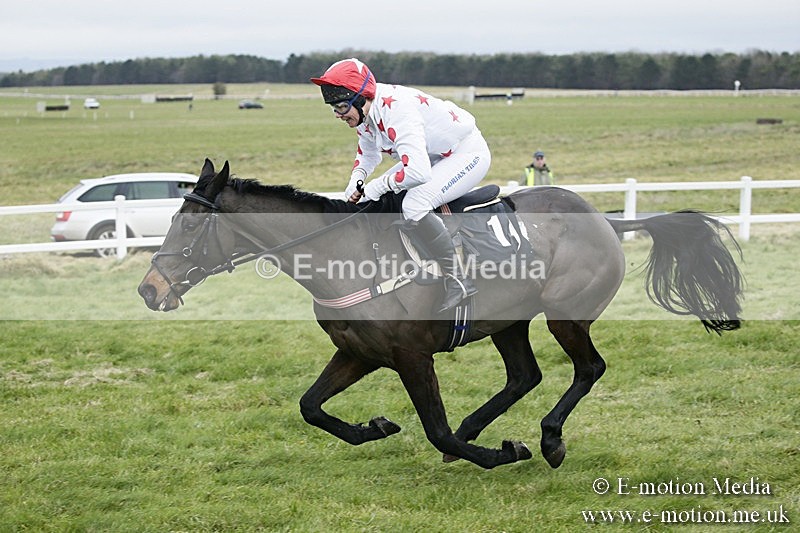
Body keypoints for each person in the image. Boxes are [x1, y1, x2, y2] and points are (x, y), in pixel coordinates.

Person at [311, 58, 492, 312]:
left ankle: (458, 280)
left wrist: (375, 187)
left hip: (466, 153)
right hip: (434, 152)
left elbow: (417, 172)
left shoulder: (397, 111)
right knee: (368, 197)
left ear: (362, 98)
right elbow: (368, 154)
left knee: (415, 203)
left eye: (342, 107)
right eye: (334, 109)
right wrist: (357, 182)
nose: (339, 116)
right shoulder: (368, 112)